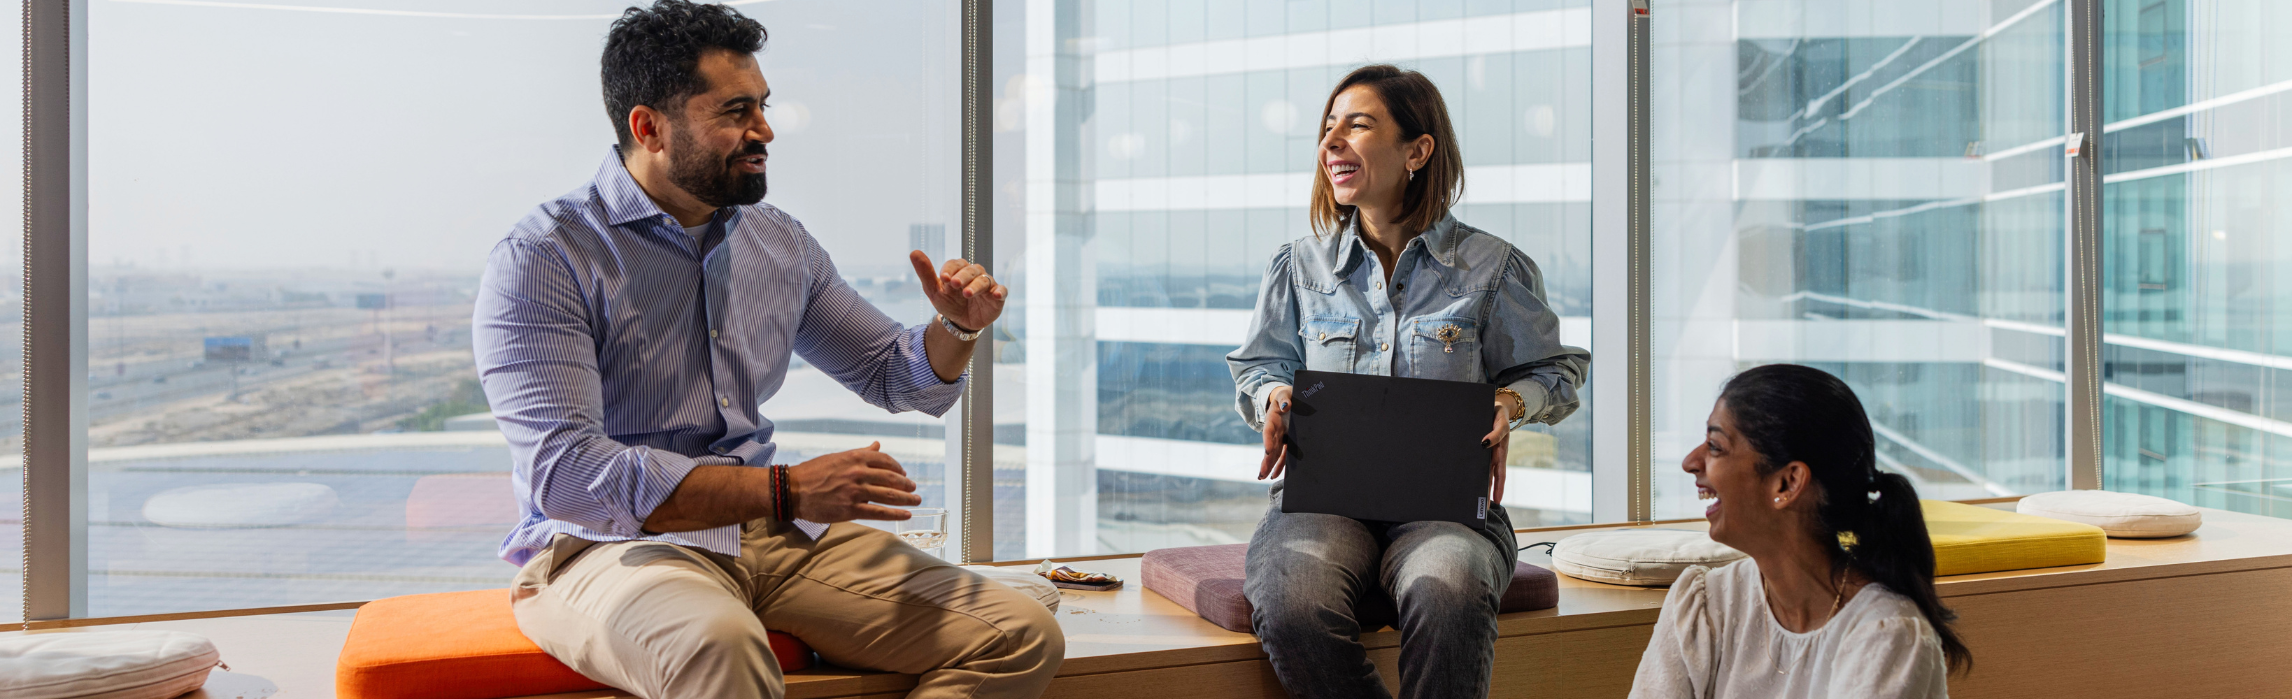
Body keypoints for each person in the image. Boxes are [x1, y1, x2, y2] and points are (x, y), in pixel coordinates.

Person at [471, 3, 1062, 698]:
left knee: (1019, 632)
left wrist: (955, 329)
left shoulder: (779, 243)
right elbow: (569, 475)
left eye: (764, 105)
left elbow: (895, 376)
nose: (765, 130)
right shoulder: (545, 257)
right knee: (720, 646)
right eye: (736, 111)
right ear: (648, 127)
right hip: (609, 546)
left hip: (772, 534)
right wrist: (786, 488)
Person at [1226, 64, 1590, 699]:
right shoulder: (1297, 265)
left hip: (1444, 509)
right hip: (1322, 503)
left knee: (1449, 592)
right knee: (1291, 604)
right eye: (1328, 127)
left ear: (1418, 150)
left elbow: (1554, 370)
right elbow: (1259, 365)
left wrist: (1509, 401)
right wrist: (1272, 396)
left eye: (1357, 125)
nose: (1332, 141)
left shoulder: (1492, 267)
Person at [1629, 364, 1971, 698]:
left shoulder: (1887, 635)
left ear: (1787, 482)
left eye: (1716, 446)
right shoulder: (1703, 604)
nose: (1691, 461)